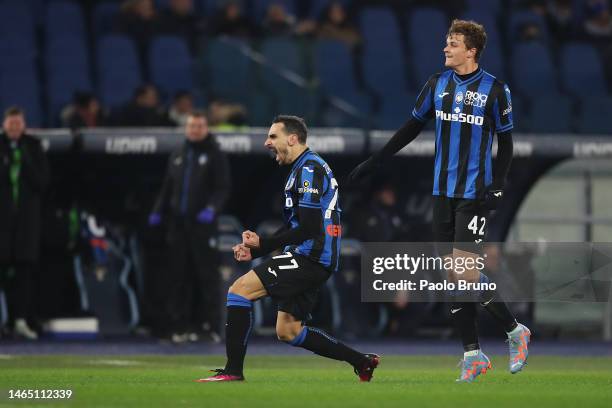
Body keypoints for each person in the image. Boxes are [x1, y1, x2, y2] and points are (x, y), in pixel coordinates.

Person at [348, 20, 531, 382]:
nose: (446, 49)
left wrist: (499, 183)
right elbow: (412, 126)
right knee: (455, 276)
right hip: (441, 192)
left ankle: (514, 332)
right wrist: (376, 160)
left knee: (464, 272)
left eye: (453, 44)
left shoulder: (495, 90)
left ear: (471, 51)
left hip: (473, 194)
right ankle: (474, 353)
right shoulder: (437, 84)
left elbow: (506, 142)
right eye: (446, 43)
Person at [197, 115, 379, 382]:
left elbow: (309, 228)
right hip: (312, 258)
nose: (267, 142)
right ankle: (362, 362)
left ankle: (233, 371)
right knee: (289, 331)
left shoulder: (309, 169)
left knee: (239, 291)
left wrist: (264, 244)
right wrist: (257, 250)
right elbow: (298, 225)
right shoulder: (303, 168)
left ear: (292, 139)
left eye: (273, 136)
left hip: (310, 257)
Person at [149, 112, 230, 342]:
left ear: (206, 127)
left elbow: (222, 188)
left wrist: (212, 209)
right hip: (178, 224)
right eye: (192, 126)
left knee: (205, 275)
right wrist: (157, 210)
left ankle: (210, 326)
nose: (195, 130)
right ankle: (179, 326)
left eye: (200, 126)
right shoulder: (178, 154)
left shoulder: (215, 154)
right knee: (177, 276)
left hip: (202, 226)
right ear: (186, 128)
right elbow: (168, 187)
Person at [0, 107, 50, 339]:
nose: (14, 129)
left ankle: (20, 320)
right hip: (2, 223)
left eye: (18, 124)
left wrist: (24, 161)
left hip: (26, 225)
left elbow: (43, 183)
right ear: (4, 125)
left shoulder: (32, 147)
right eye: (11, 124)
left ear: (24, 125)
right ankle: (5, 320)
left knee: (24, 273)